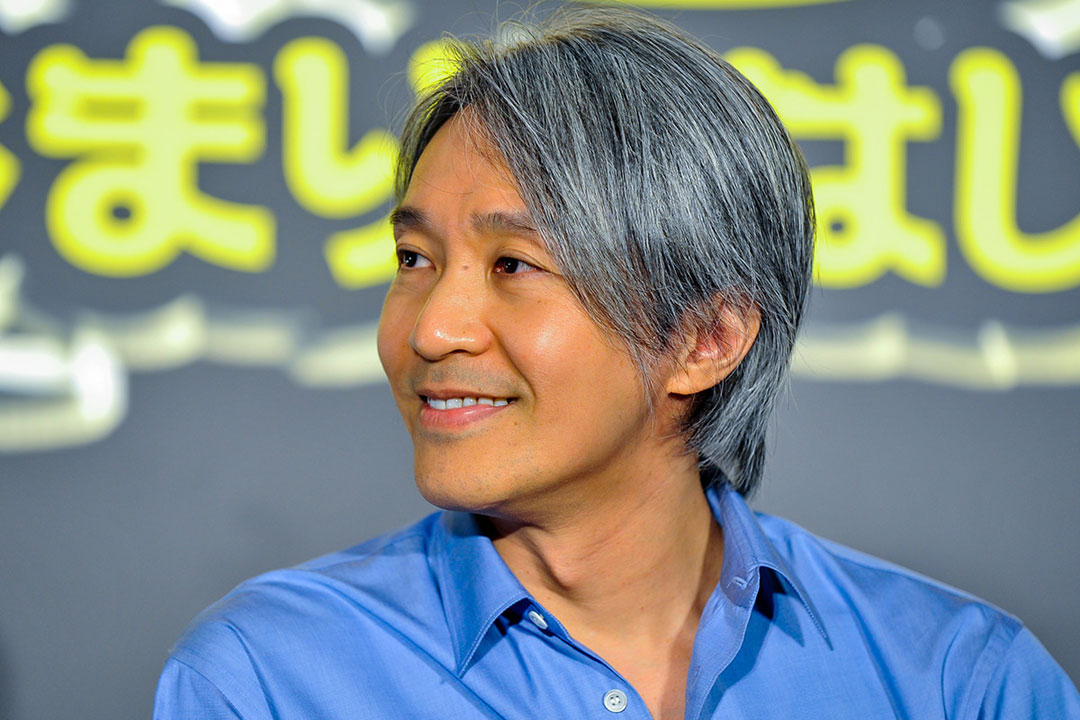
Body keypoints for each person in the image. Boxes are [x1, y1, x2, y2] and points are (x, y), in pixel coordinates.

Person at [154, 6, 1080, 719]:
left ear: (708, 337)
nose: (432, 330)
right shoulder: (265, 678)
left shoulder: (959, 682)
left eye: (514, 265)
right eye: (414, 259)